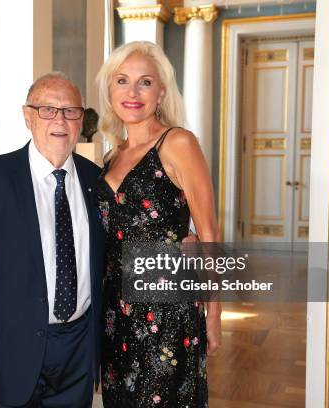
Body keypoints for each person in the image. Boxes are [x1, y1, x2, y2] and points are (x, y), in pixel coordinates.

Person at [0, 72, 104, 407]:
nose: (59, 119)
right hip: (7, 359)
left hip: (78, 353)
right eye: (47, 109)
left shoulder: (97, 181)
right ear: (28, 116)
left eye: (70, 111)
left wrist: (185, 240)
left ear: (81, 120)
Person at [95, 41, 222, 407]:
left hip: (166, 314)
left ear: (161, 91)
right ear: (110, 89)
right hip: (114, 314)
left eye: (145, 82)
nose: (132, 92)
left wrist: (214, 315)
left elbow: (209, 234)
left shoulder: (177, 143)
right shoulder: (111, 155)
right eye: (122, 81)